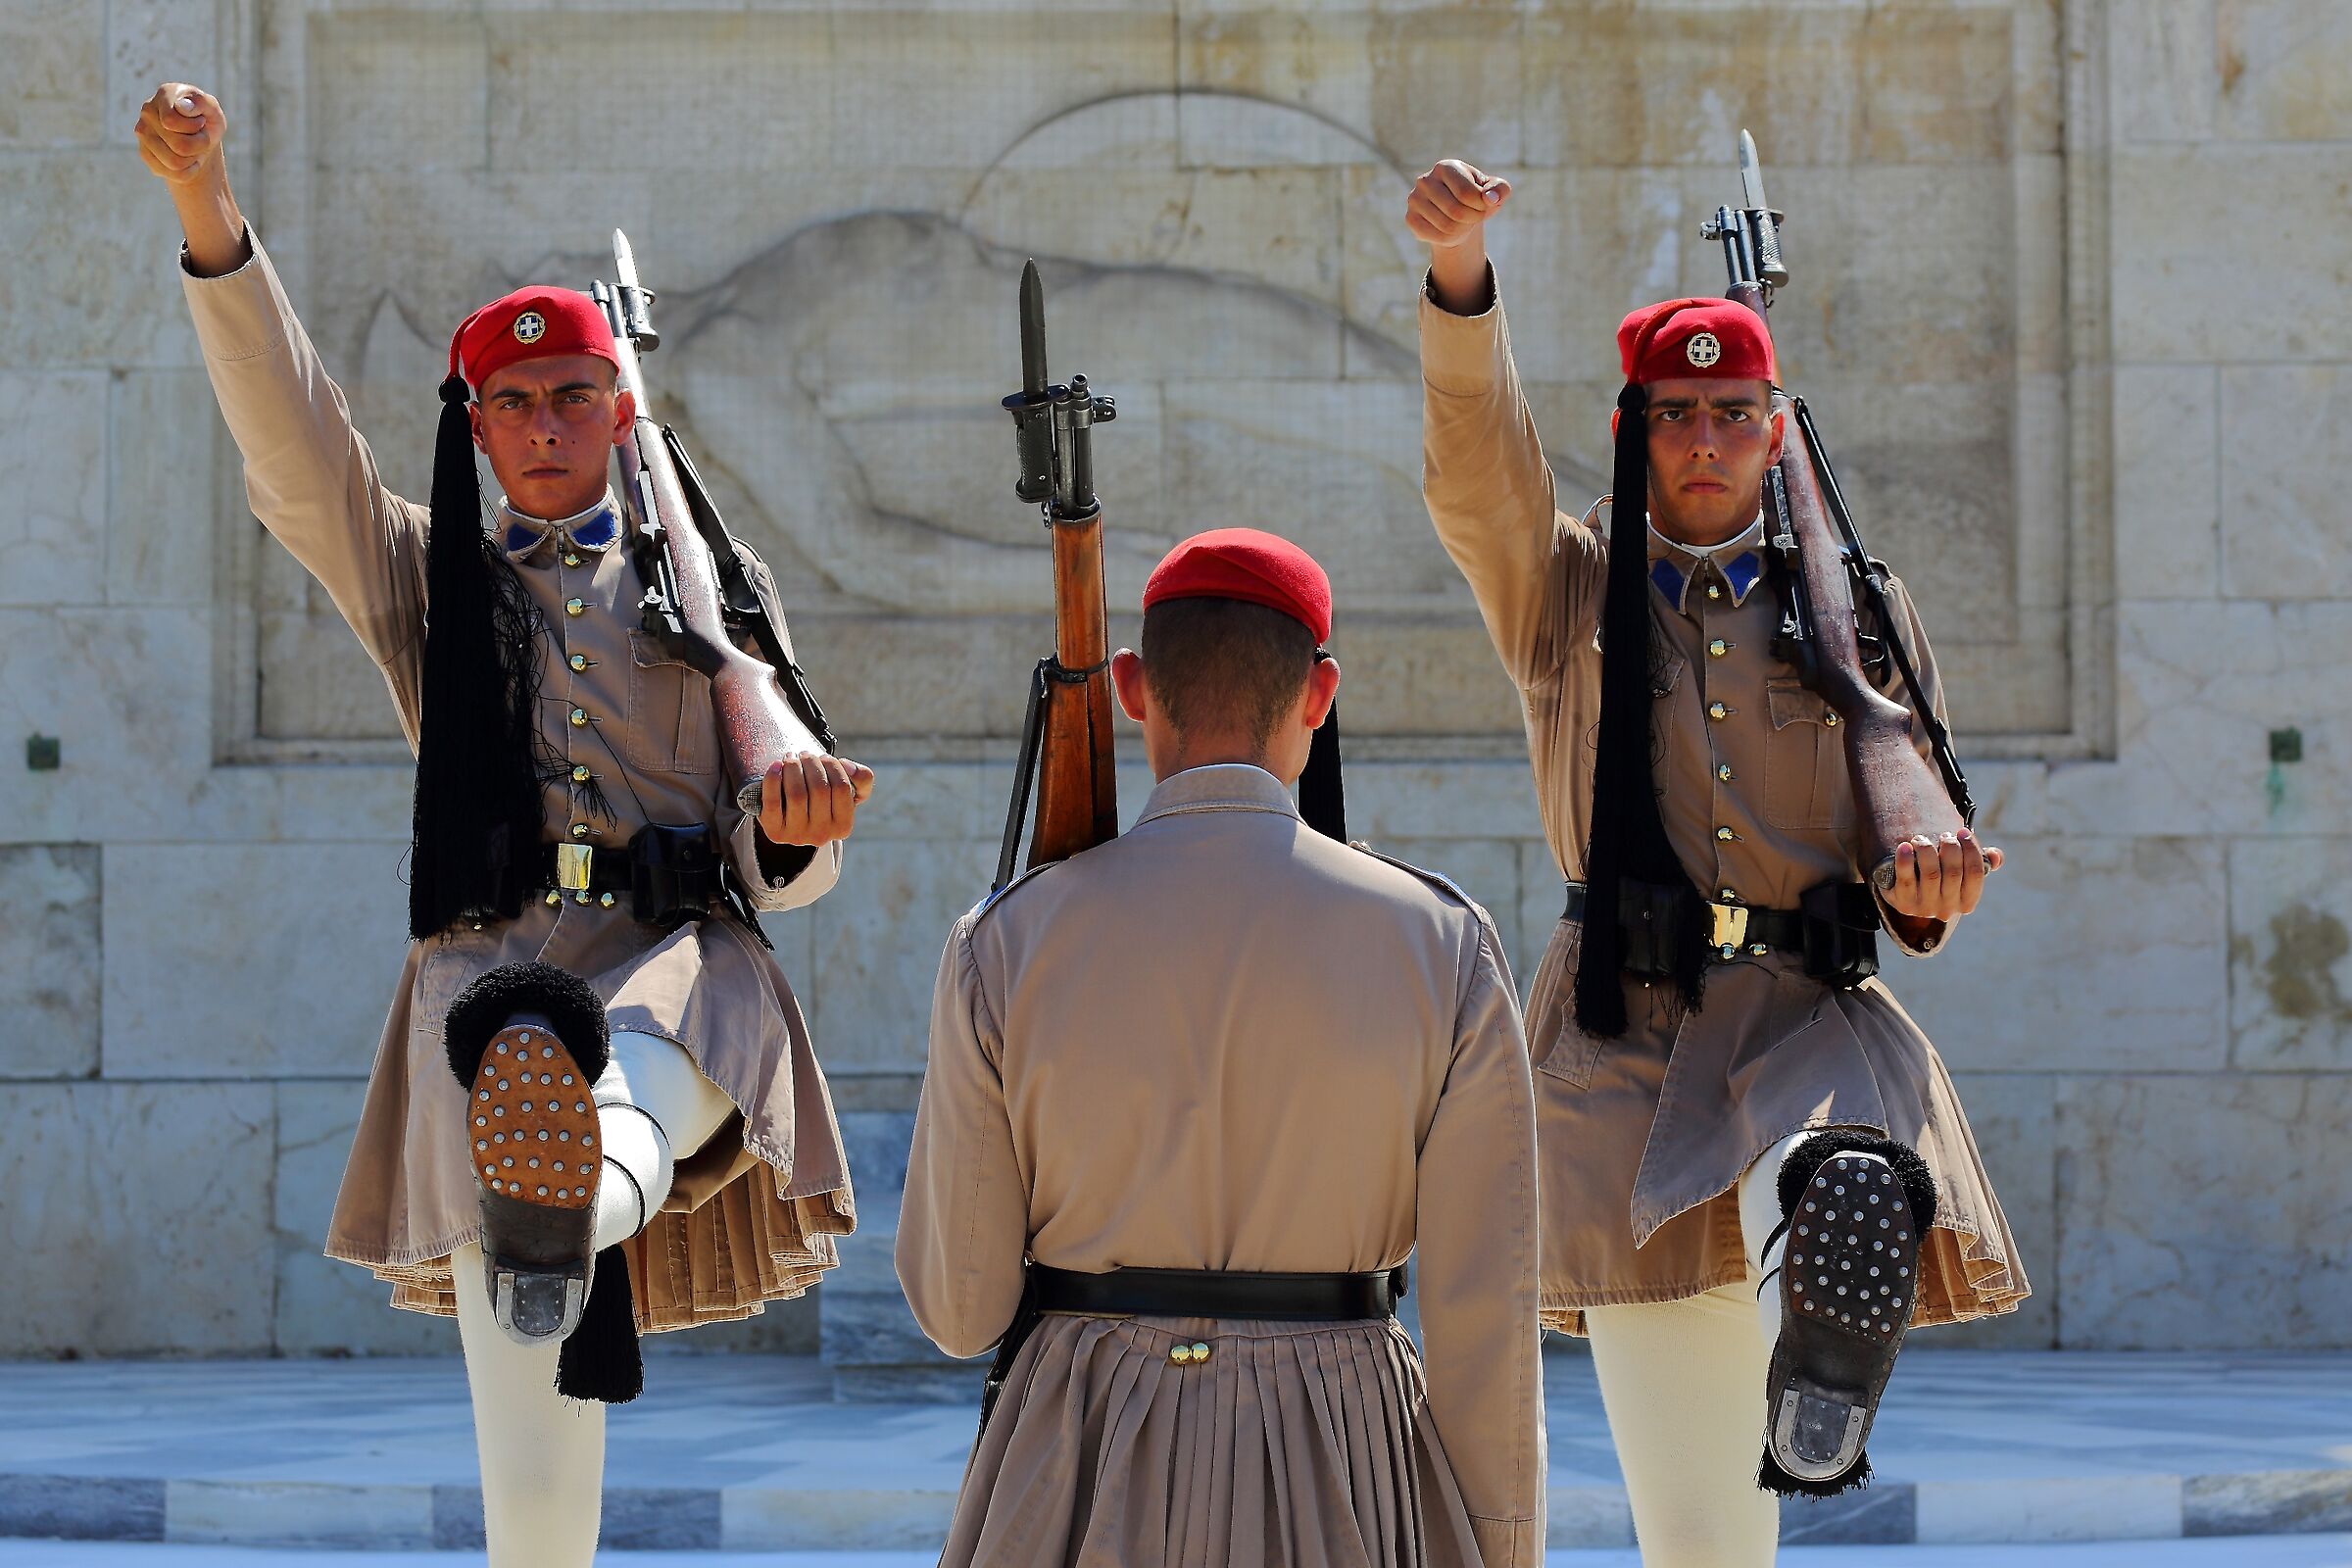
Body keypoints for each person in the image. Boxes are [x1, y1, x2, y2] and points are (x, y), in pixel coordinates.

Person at [139, 82, 870, 1566]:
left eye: (574, 397)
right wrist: (205, 209)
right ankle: (556, 1200)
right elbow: (299, 458)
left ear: (619, 408)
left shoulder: (713, 584)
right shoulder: (432, 581)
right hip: (492, 997)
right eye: (514, 404)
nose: (545, 427)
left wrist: (795, 825)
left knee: (621, 1078)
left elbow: (787, 859)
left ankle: (576, 1189)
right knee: (532, 1495)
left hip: (680, 972)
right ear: (475, 426)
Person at [1408, 158, 2029, 1563]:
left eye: (1735, 415)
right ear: (1634, 433)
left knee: (1838, 1178)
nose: (1705, 439)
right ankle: (1785, 1417)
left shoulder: (1859, 612)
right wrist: (1460, 284)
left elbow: (1912, 817)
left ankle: (1823, 1331)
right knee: (1698, 1538)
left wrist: (1927, 892)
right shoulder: (1566, 591)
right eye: (1675, 414)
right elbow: (1477, 477)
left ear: (1773, 430)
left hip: (1812, 1032)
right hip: (1628, 1050)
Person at [898, 529, 1546, 1567]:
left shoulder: (1005, 940)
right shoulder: (1443, 941)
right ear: (1321, 692)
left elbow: (960, 1307)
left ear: (1130, 687)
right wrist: (1501, 1547)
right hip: (1343, 1442)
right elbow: (1486, 1311)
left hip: (1080, 1449)